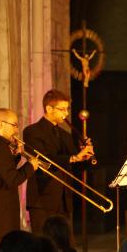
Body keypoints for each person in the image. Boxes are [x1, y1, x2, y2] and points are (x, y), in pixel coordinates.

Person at [24, 89, 94, 234]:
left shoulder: (65, 134)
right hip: (42, 198)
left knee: (64, 245)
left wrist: (86, 157)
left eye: (67, 109)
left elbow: (73, 166)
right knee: (43, 244)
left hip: (64, 199)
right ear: (49, 109)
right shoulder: (32, 131)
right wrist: (74, 157)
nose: (66, 114)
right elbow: (43, 159)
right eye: (62, 109)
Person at [0, 108, 39, 244]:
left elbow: (0, 172)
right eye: (14, 125)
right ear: (0, 124)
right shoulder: (0, 146)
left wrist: (16, 156)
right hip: (3, 217)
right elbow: (13, 179)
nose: (16, 130)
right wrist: (31, 165)